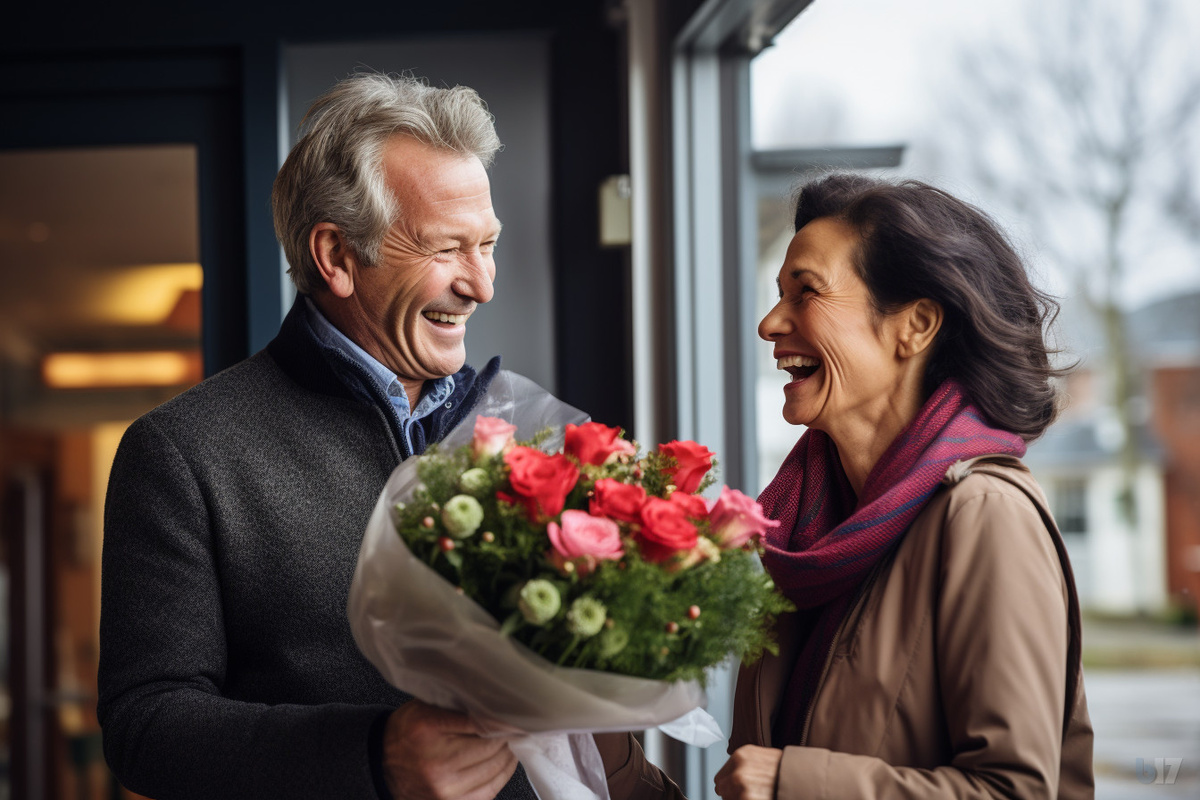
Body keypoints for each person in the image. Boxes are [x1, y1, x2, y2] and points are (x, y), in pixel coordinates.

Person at [99, 73, 680, 800]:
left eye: (488, 244)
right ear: (337, 257)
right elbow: (144, 727)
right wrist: (372, 757)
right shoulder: (183, 453)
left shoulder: (538, 441)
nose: (483, 283)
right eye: (448, 249)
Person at [714, 173, 1094, 799]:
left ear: (914, 324)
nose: (769, 323)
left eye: (805, 292)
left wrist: (796, 783)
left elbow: (1017, 791)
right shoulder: (806, 528)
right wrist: (602, 743)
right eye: (778, 293)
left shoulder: (984, 514)